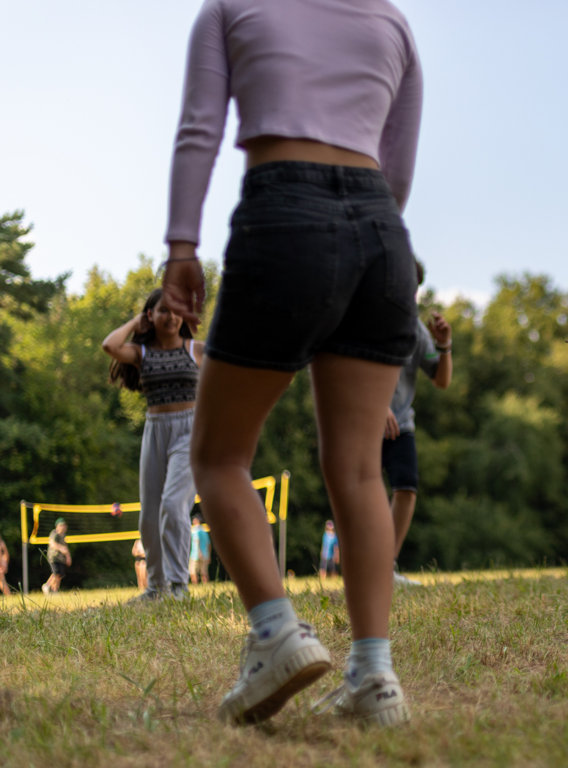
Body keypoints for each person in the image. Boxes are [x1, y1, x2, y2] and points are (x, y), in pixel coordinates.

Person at [161, 0, 422, 728]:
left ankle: (276, 634)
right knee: (360, 469)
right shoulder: (392, 21)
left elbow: (198, 130)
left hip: (286, 213)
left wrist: (182, 247)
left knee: (218, 457)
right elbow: (399, 165)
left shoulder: (230, 7)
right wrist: (361, 237)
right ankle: (374, 676)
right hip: (383, 233)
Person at [102, 288, 203, 601]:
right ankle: (156, 588)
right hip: (155, 430)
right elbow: (110, 345)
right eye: (163, 310)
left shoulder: (196, 349)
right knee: (149, 514)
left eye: (177, 311)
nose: (171, 316)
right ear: (151, 315)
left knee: (173, 505)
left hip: (189, 431)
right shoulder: (142, 353)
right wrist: (136, 322)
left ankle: (178, 586)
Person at [385, 260, 453, 587]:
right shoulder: (367, 316)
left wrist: (444, 345)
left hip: (400, 424)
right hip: (362, 418)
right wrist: (376, 405)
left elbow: (441, 379)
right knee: (359, 491)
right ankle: (359, 566)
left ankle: (385, 567)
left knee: (406, 488)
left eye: (414, 287)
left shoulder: (416, 331)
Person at [42, 518, 71, 594]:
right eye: (61, 525)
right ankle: (47, 585)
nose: (63, 527)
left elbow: (66, 548)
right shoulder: (54, 533)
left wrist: (68, 557)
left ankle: (54, 590)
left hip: (61, 559)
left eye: (64, 525)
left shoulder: (63, 536)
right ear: (57, 526)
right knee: (56, 573)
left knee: (60, 575)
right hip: (53, 557)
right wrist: (61, 548)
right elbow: (52, 543)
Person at [190, 516, 211, 584]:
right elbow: (209, 544)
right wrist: (209, 555)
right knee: (204, 572)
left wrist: (199, 552)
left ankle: (195, 585)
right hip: (205, 554)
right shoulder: (205, 531)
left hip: (195, 554)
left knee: (192, 571)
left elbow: (197, 541)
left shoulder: (195, 531)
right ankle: (206, 585)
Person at [319, 520, 340, 586]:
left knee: (333, 569)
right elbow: (324, 545)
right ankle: (322, 582)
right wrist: (321, 552)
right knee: (322, 568)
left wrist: (337, 556)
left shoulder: (334, 536)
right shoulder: (325, 535)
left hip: (332, 555)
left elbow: (336, 547)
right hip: (325, 554)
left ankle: (335, 583)